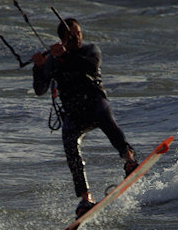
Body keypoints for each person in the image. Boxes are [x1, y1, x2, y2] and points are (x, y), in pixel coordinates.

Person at [31, 18, 138, 218]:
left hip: (95, 103)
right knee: (69, 141)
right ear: (63, 38)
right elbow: (40, 89)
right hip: (74, 113)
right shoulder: (53, 60)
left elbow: (89, 67)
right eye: (73, 34)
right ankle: (85, 198)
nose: (78, 37)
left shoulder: (90, 50)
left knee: (105, 115)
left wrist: (65, 57)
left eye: (79, 32)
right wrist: (38, 67)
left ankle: (129, 160)